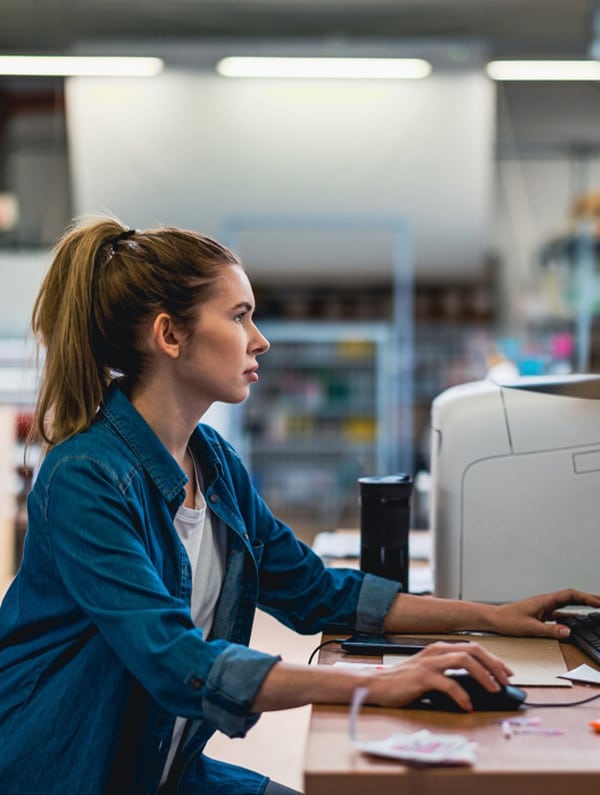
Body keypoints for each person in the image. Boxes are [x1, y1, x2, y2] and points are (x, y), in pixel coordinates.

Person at [0, 216, 598, 795]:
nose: (259, 339)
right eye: (240, 317)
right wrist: (373, 686)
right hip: (64, 774)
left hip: (160, 769)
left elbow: (314, 590)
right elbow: (173, 659)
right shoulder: (87, 478)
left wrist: (491, 617)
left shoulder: (213, 463)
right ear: (171, 335)